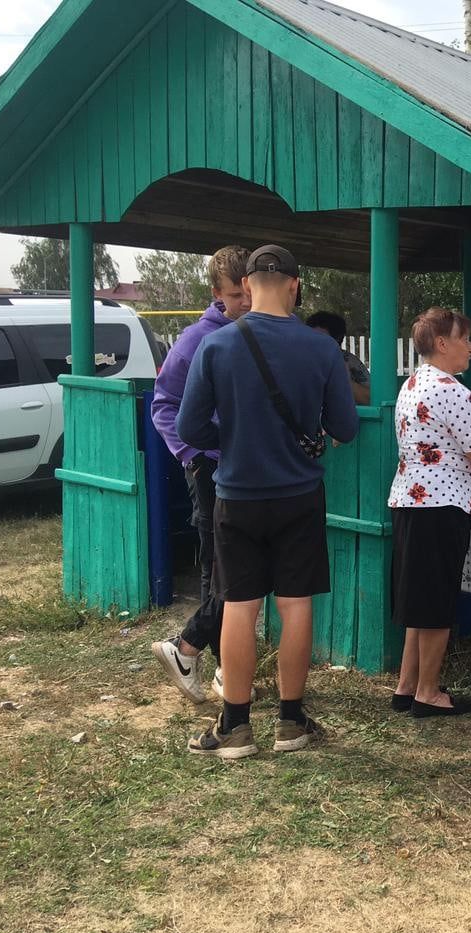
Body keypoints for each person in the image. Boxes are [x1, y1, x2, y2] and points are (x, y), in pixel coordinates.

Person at [177, 245, 359, 758]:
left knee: (239, 604)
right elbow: (344, 426)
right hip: (300, 494)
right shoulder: (322, 350)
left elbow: (189, 426)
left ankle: (234, 727)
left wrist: (233, 438)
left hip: (237, 495)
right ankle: (292, 723)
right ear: (296, 287)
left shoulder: (216, 346)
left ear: (249, 286)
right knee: (296, 602)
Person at [389, 308, 471, 718]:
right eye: (464, 339)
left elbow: (454, 434)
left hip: (411, 500)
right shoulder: (452, 390)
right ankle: (428, 693)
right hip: (441, 505)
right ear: (442, 343)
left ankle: (407, 686)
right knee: (437, 600)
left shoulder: (413, 384)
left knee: (419, 599)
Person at [149, 245, 251, 704]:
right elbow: (164, 404)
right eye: (236, 294)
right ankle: (207, 659)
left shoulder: (257, 331)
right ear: (216, 294)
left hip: (247, 466)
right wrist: (192, 454)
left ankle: (207, 659)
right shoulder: (197, 339)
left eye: (249, 291)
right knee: (221, 563)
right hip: (211, 465)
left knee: (231, 563)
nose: (245, 302)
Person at [306, 310, 371, 405]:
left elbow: (371, 399)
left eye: (320, 339)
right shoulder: (302, 360)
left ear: (336, 340)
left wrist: (347, 381)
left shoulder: (350, 362)